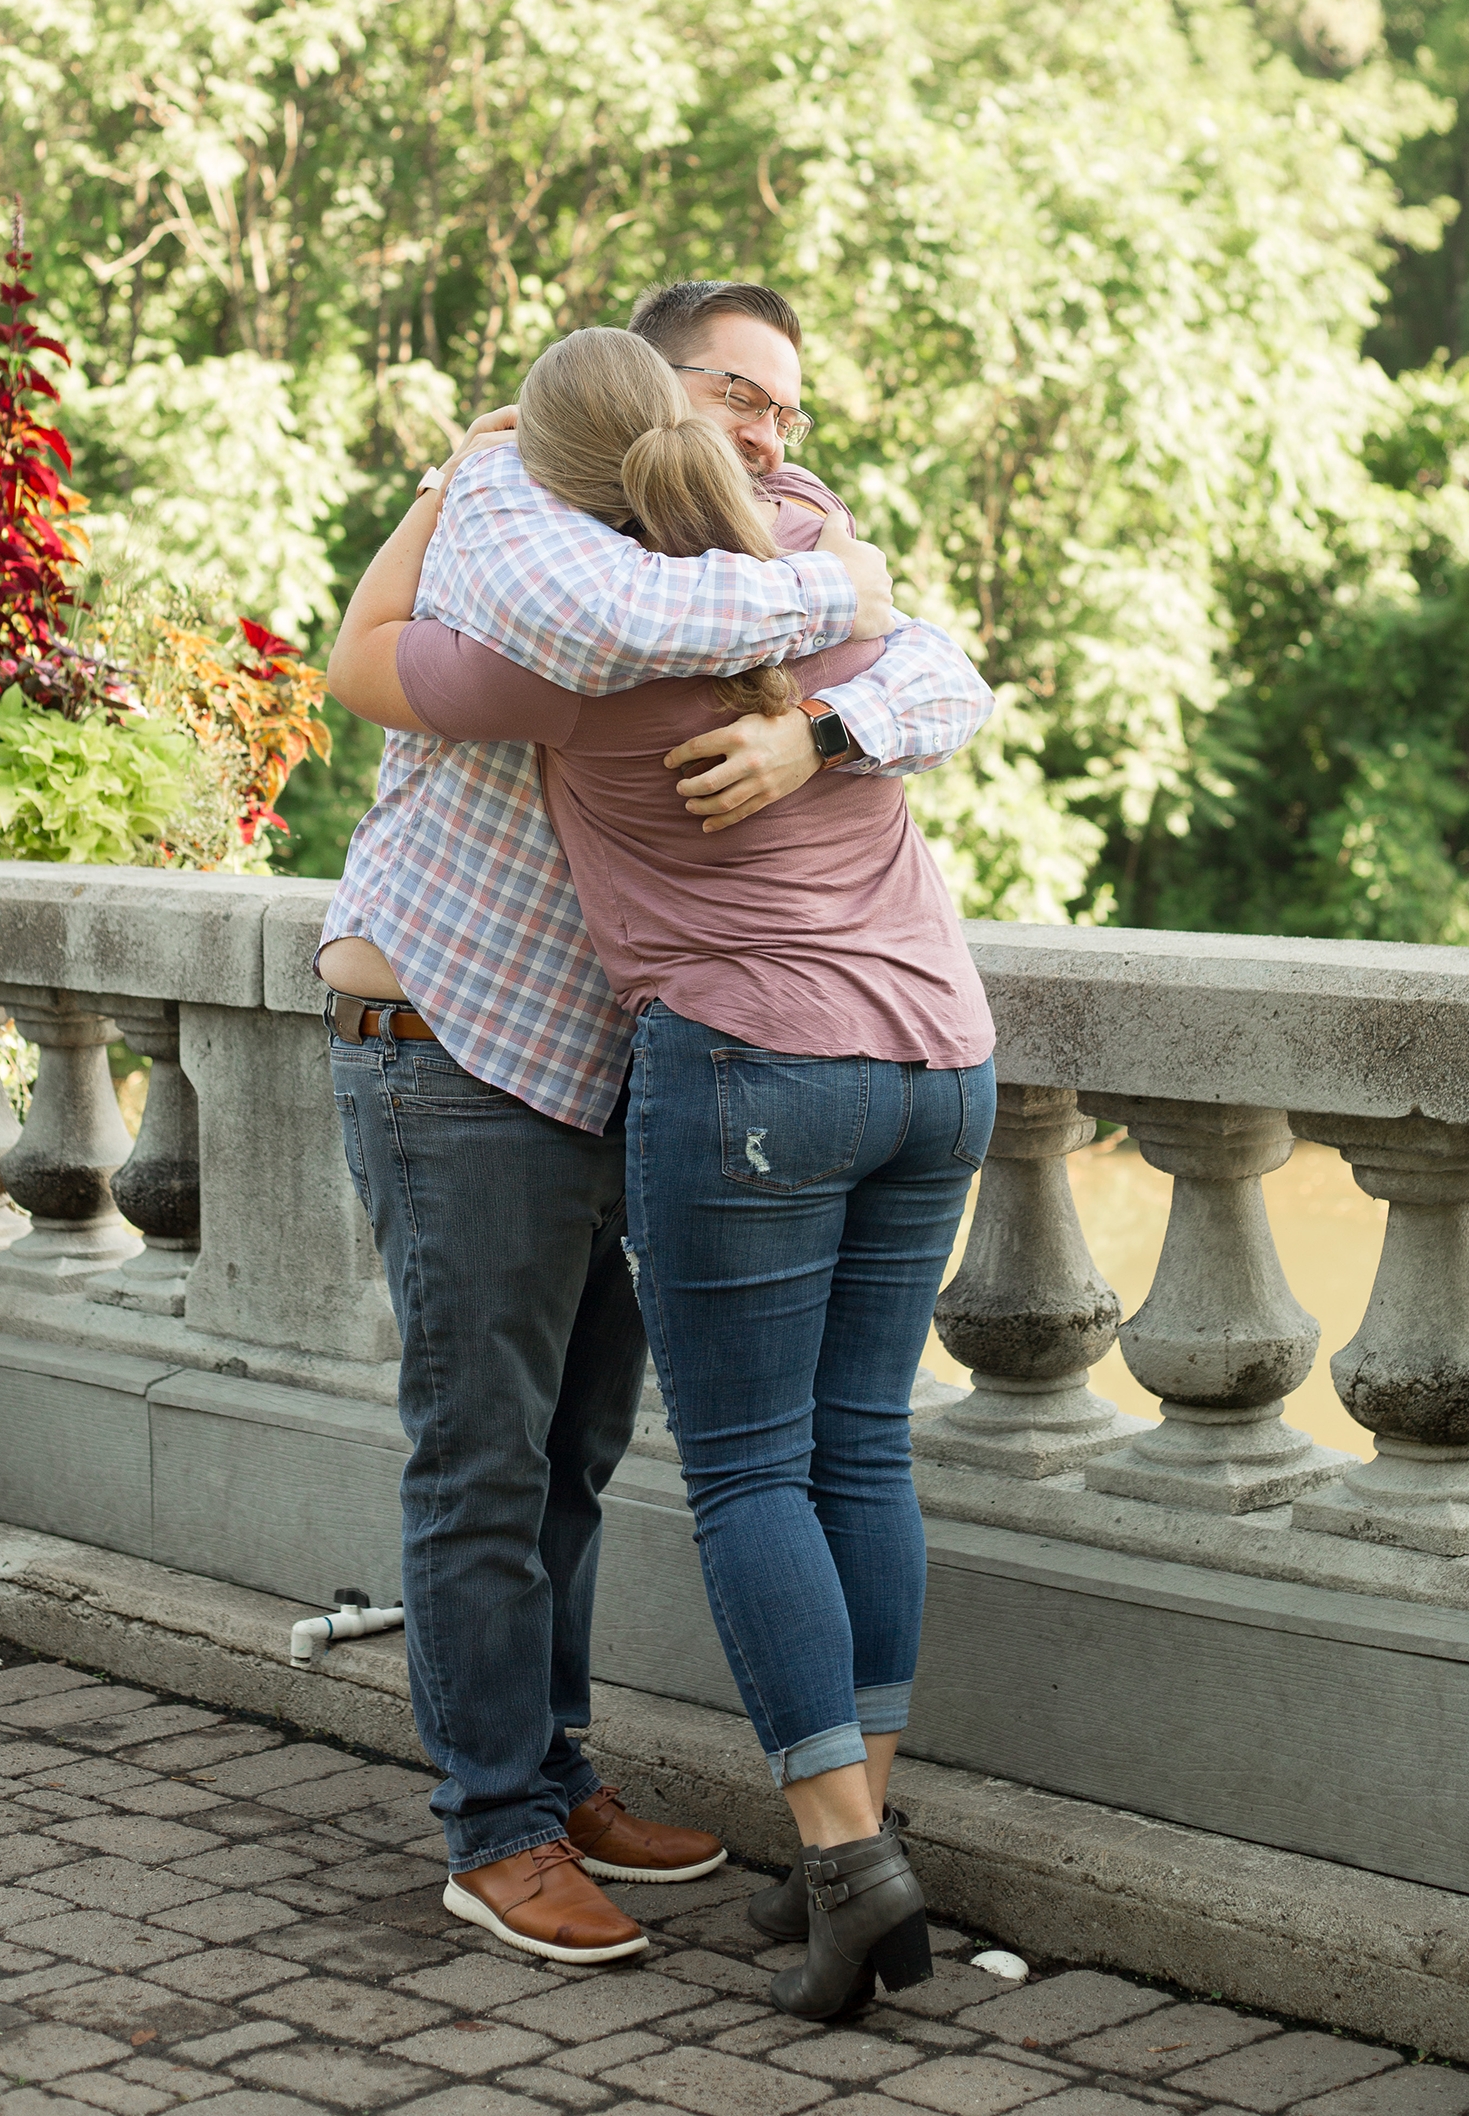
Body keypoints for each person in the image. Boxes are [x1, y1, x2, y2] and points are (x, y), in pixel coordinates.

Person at [322, 280, 990, 1972]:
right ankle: (497, 1828)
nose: (772, 434)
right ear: (648, 405)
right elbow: (364, 664)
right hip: (456, 1040)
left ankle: (559, 1777)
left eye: (790, 409)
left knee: (577, 1455)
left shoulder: (739, 544)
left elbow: (935, 660)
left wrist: (822, 713)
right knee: (485, 1456)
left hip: (635, 1061)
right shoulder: (537, 563)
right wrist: (829, 607)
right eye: (737, 397)